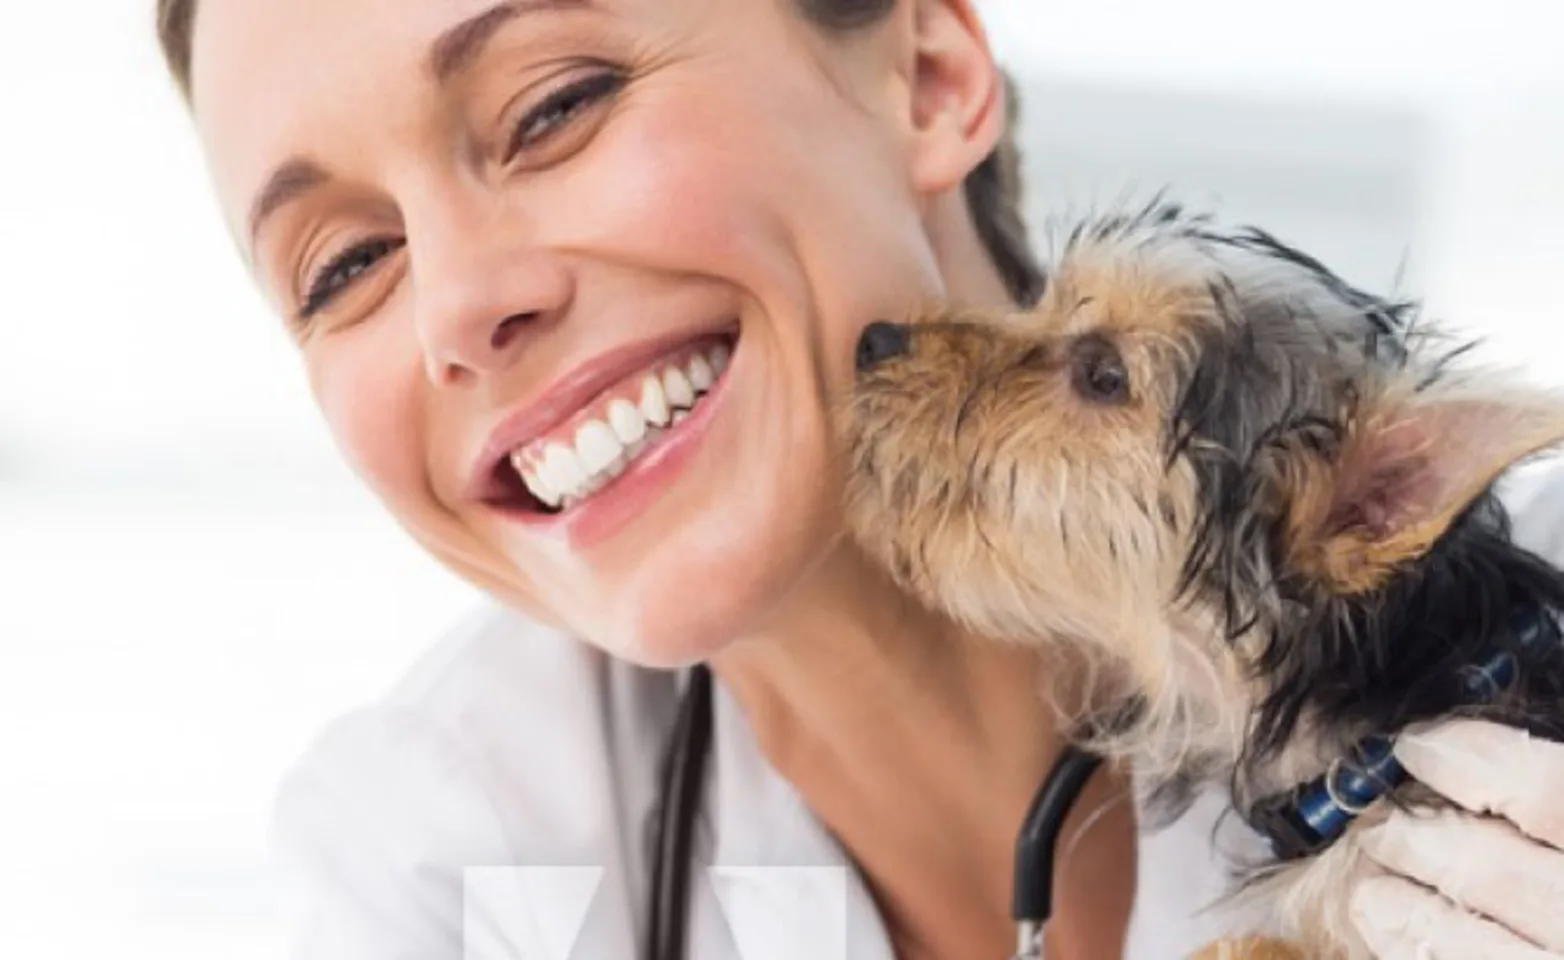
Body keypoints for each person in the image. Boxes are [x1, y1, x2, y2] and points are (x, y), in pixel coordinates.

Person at [155, 0, 1564, 957]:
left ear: (929, 73)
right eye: (343, 266)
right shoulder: (438, 848)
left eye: (555, 107)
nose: (460, 304)